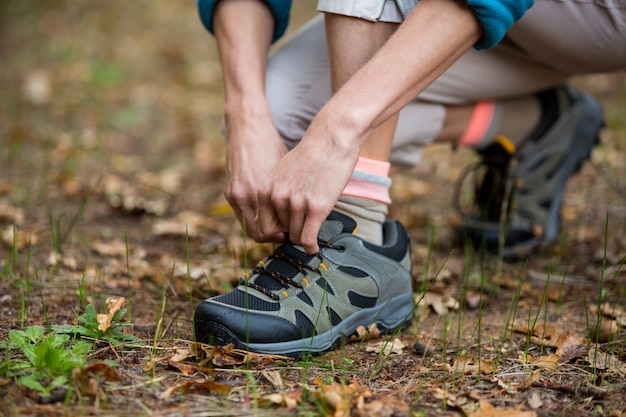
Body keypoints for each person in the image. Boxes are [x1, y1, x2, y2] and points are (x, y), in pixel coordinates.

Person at [193, 0, 626, 357]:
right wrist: (245, 114)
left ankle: (360, 229)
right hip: (464, 22)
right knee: (279, 113)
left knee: (320, 130)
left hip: (593, 18)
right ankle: (538, 121)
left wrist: (338, 130)